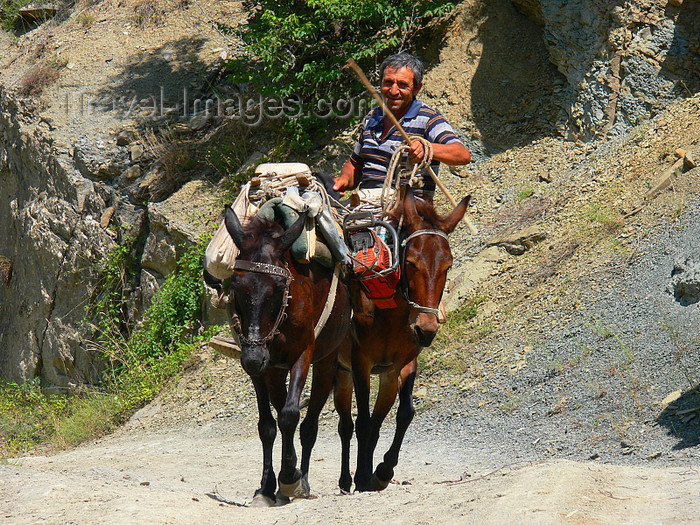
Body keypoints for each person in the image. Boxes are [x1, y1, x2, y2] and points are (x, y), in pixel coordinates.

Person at [333, 52, 471, 199]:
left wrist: (427, 149)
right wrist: (344, 180)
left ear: (417, 88)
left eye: (403, 85)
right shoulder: (372, 118)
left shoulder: (428, 118)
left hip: (409, 211)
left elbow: (462, 154)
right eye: (388, 82)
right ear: (380, 83)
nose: (393, 91)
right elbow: (355, 164)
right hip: (366, 204)